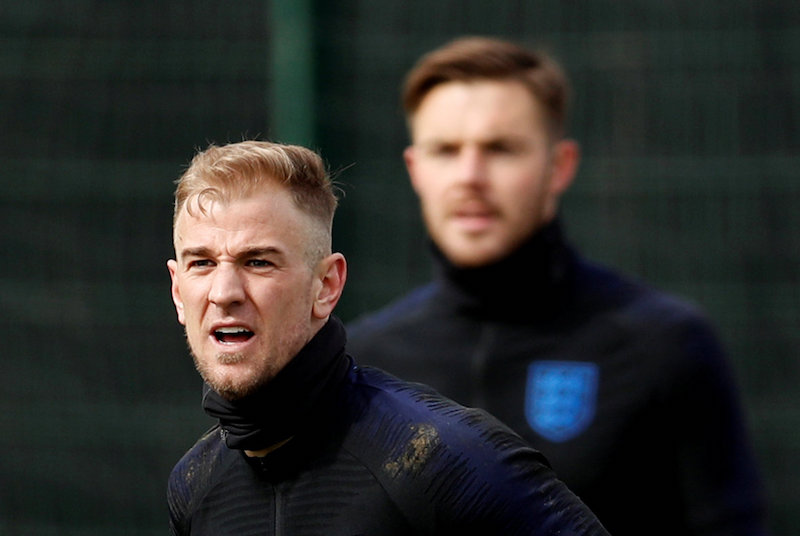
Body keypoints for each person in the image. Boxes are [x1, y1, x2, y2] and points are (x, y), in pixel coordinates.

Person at [347, 37, 768, 535]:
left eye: (500, 149)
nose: (470, 176)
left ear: (559, 166)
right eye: (446, 150)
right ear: (415, 169)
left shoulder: (664, 343)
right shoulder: (365, 362)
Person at [165, 140, 611, 535]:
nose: (224, 292)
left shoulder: (443, 458)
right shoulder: (193, 486)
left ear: (326, 286)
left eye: (258, 262)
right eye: (201, 263)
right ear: (178, 291)